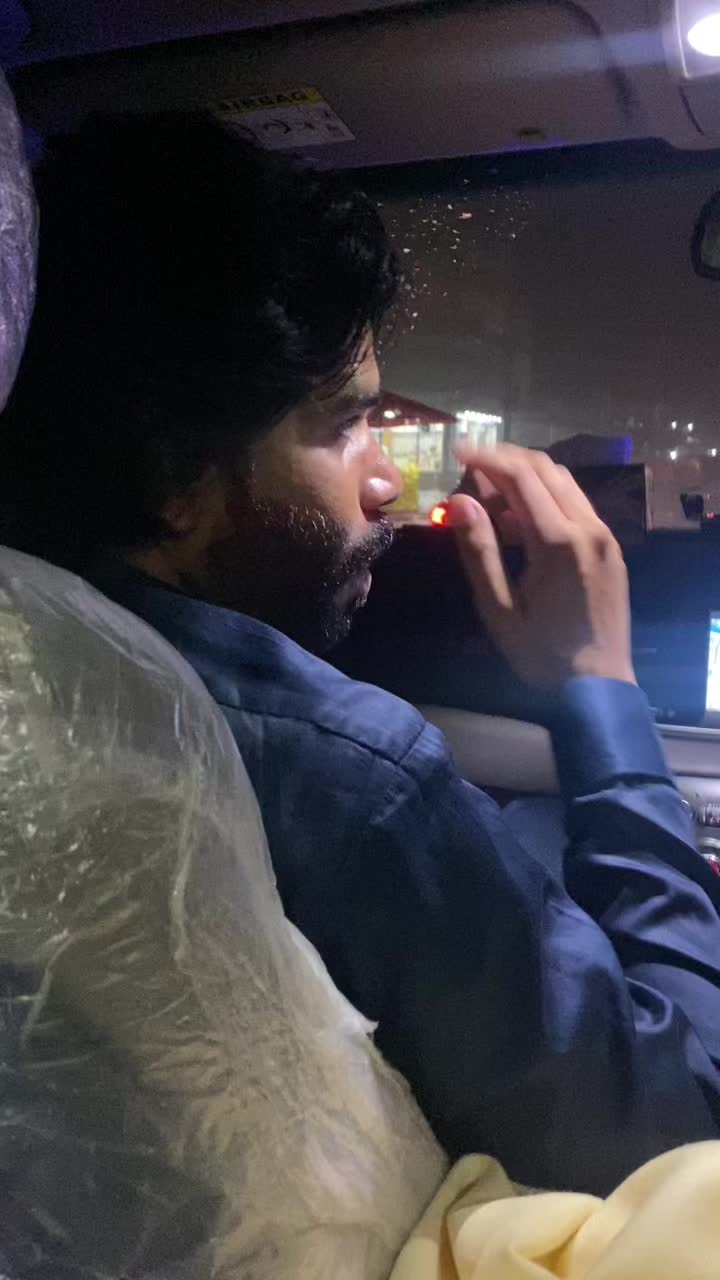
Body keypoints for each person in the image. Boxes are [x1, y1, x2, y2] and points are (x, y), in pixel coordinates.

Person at [4, 113, 720, 1196]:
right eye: (341, 424)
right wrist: (600, 690)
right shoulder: (349, 779)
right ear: (174, 475)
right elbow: (679, 1124)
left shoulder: (35, 657)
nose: (385, 478)